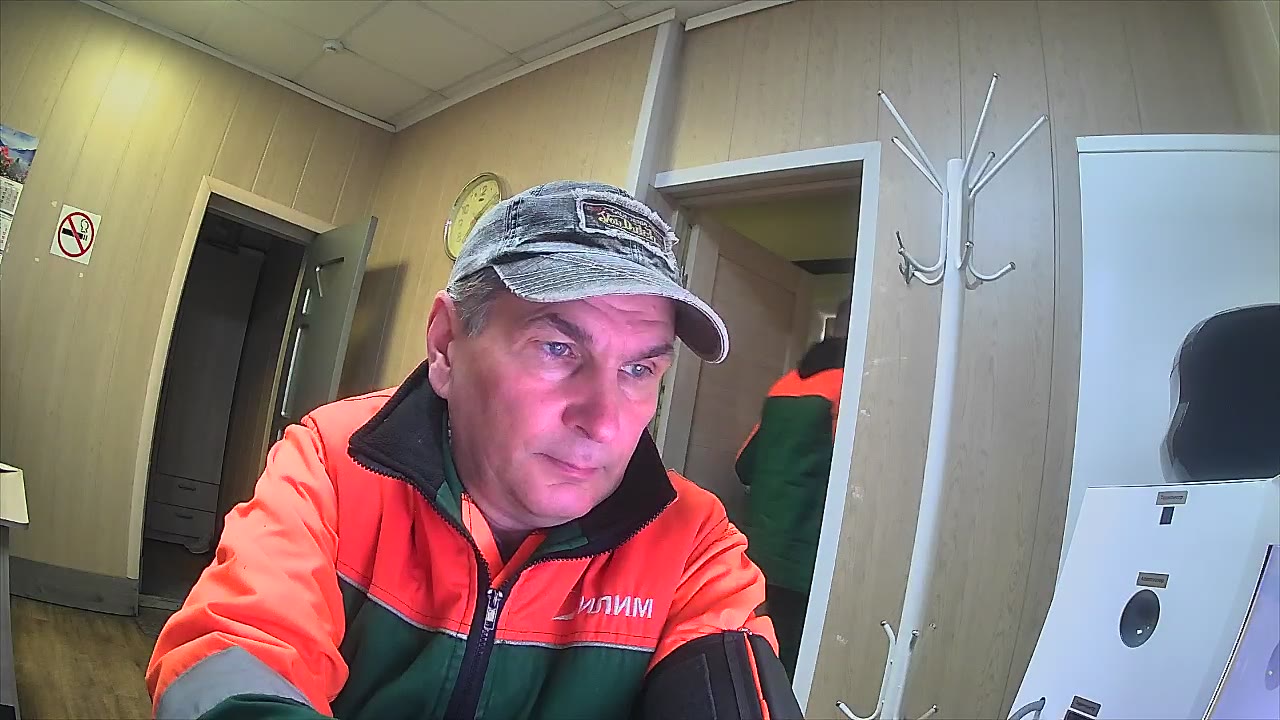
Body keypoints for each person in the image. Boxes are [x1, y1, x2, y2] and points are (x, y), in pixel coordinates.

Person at [145, 181, 802, 720]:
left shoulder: (692, 540)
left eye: (639, 370)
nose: (605, 422)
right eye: (558, 348)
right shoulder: (336, 462)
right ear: (445, 346)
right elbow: (232, 659)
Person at [735, 298, 850, 677]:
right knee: (800, 666)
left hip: (761, 553)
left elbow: (744, 464)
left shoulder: (783, 386)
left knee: (766, 654)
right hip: (809, 561)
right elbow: (851, 475)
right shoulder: (850, 388)